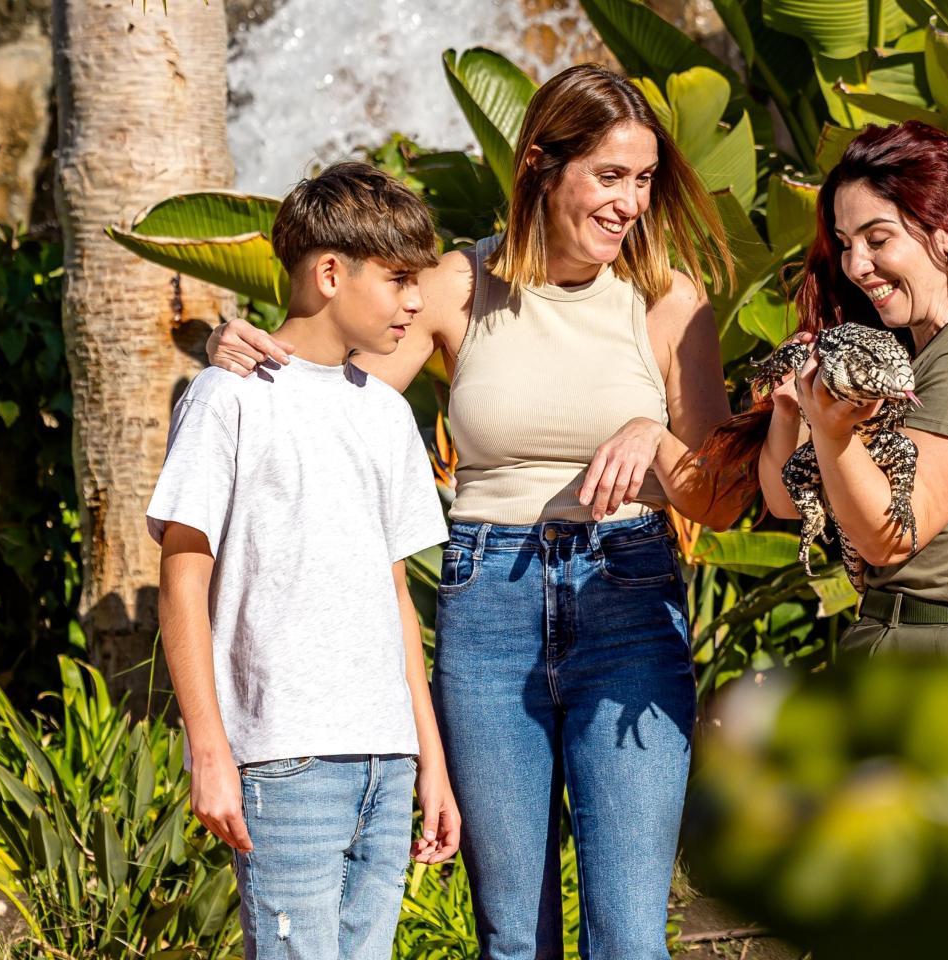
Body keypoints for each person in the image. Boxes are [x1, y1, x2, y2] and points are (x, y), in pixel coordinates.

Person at [202, 65, 737, 960]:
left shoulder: (670, 302)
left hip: (629, 600)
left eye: (644, 181)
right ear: (540, 163)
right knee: (511, 933)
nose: (630, 203)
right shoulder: (459, 284)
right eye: (609, 176)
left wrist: (655, 434)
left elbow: (720, 497)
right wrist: (240, 351)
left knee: (631, 935)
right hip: (491, 599)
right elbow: (339, 401)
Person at [149, 161, 460, 960]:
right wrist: (209, 754)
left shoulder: (388, 414)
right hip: (285, 763)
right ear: (329, 273)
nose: (416, 303)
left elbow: (395, 596)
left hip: (385, 766)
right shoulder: (228, 398)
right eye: (398, 281)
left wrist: (428, 760)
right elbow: (183, 579)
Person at [704, 119, 948, 679]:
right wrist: (792, 409)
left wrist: (833, 431)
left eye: (877, 239)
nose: (855, 265)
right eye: (846, 245)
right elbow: (785, 501)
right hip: (906, 645)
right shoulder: (907, 360)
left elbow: (891, 536)